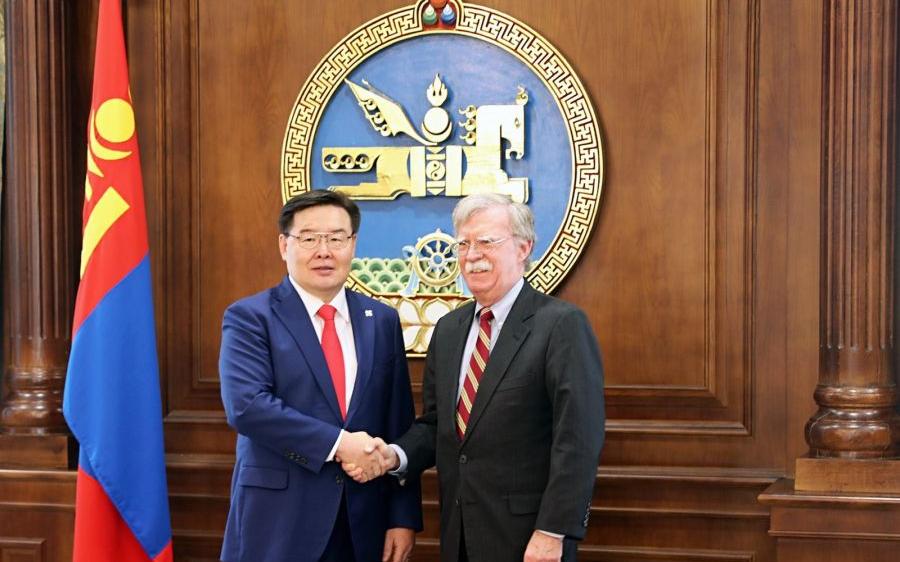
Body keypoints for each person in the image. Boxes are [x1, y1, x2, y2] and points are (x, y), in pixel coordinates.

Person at [344, 193, 605, 562]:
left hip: (530, 540)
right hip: (459, 535)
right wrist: (393, 456)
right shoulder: (449, 329)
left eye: (486, 242)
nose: (471, 255)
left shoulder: (561, 325)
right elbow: (436, 426)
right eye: (463, 244)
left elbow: (578, 439)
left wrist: (553, 531)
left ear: (523, 248)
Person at [218, 190, 422, 562]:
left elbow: (399, 423)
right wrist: (340, 444)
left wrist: (402, 518)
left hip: (363, 523)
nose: (324, 251)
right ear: (284, 245)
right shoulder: (250, 317)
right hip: (279, 522)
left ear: (353, 244)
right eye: (309, 239)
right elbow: (247, 407)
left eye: (336, 239)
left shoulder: (382, 321)